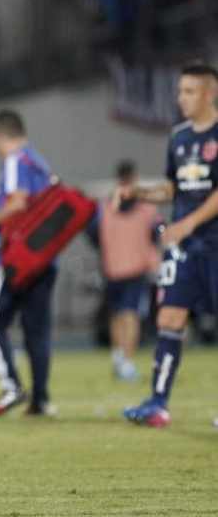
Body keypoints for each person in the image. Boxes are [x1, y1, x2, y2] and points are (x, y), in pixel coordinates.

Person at [118, 64, 218, 427]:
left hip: (213, 243)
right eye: (180, 91)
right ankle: (158, 403)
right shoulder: (178, 138)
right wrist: (140, 192)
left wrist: (187, 222)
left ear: (210, 94)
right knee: (169, 317)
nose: (181, 98)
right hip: (186, 248)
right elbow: (172, 188)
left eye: (189, 91)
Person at [0, 109, 56, 417]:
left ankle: (11, 386)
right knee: (37, 330)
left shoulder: (14, 162)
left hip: (16, 259)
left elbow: (18, 203)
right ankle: (40, 399)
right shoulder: (39, 162)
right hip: (44, 258)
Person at [98, 160, 160, 381]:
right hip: (136, 267)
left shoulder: (106, 206)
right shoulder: (144, 207)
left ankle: (119, 357)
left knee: (117, 315)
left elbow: (95, 235)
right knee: (130, 315)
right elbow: (155, 234)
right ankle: (127, 362)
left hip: (112, 267)